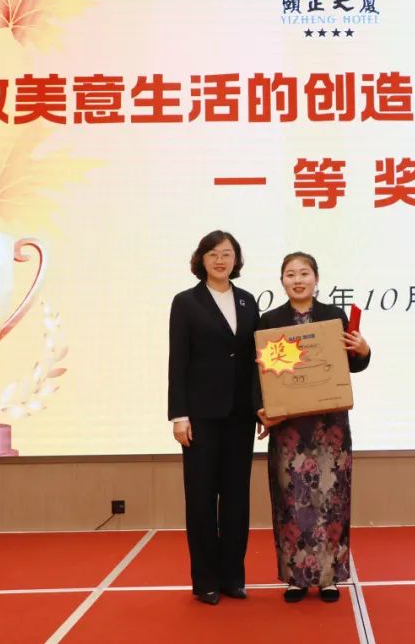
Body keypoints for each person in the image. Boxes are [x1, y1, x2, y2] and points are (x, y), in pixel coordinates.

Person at [255, 252, 371, 603]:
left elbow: (352, 365)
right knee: (291, 501)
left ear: (316, 278)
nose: (298, 280)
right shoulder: (269, 321)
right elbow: (258, 374)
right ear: (282, 281)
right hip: (289, 428)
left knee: (331, 500)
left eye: (304, 273)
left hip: (329, 427)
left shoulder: (333, 316)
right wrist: (262, 411)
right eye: (290, 274)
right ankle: (296, 579)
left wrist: (363, 350)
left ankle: (329, 578)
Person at [168, 230, 259, 605]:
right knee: (202, 498)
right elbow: (178, 361)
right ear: (201, 260)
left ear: (236, 259)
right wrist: (179, 415)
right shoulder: (186, 302)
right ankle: (205, 580)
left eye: (227, 254)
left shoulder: (248, 300)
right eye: (213, 254)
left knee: (237, 498)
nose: (221, 260)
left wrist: (261, 407)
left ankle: (232, 577)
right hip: (201, 416)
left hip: (240, 416)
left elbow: (255, 361)